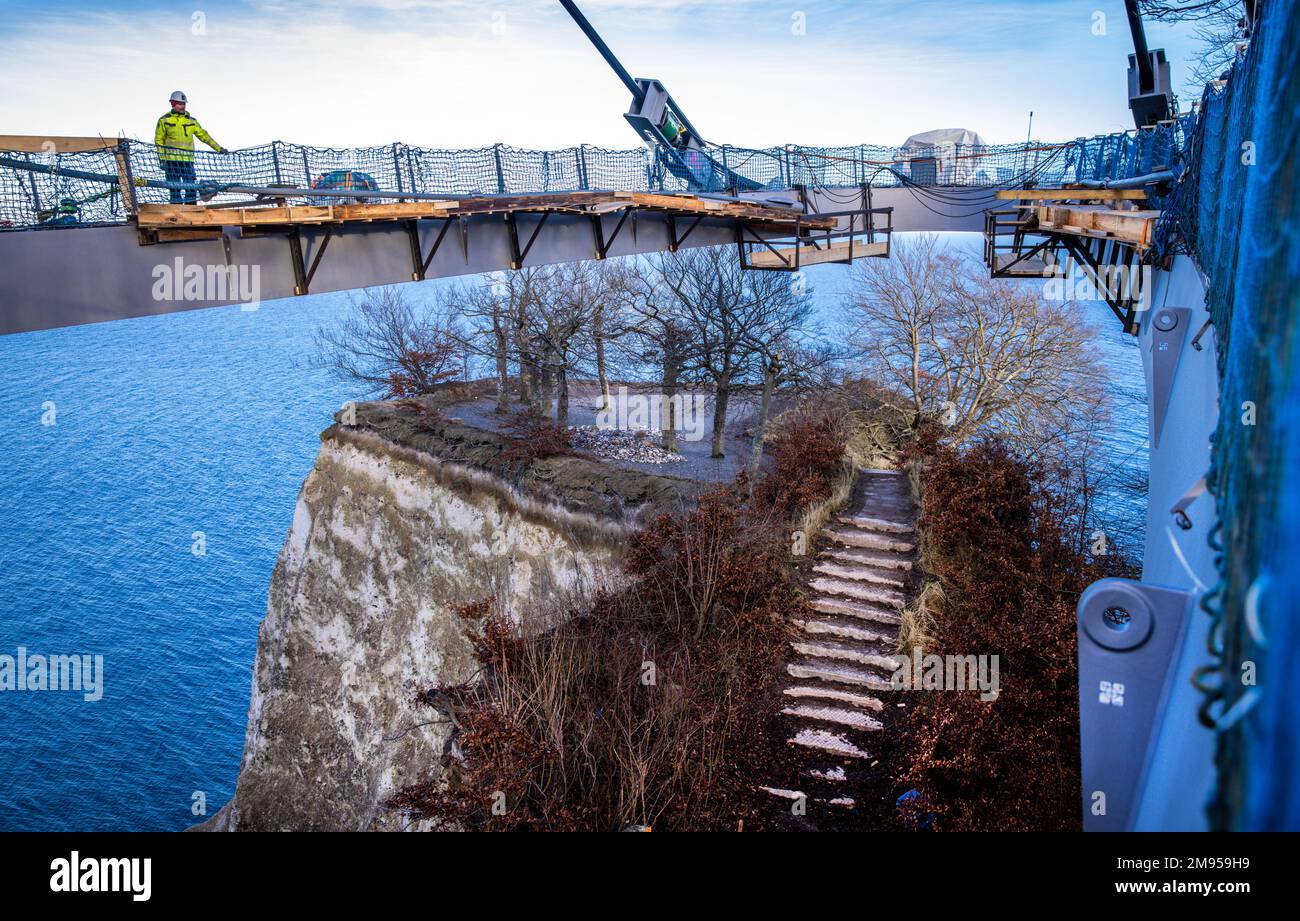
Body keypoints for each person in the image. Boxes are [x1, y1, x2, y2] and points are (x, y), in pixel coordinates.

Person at [154, 91, 229, 204]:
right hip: (171, 161)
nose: (182, 106)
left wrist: (218, 148)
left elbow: (204, 136)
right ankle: (176, 208)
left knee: (190, 186)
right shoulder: (164, 120)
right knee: (174, 187)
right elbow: (159, 141)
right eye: (179, 104)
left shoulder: (191, 121)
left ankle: (191, 207)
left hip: (187, 161)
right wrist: (162, 159)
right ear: (173, 104)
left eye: (184, 104)